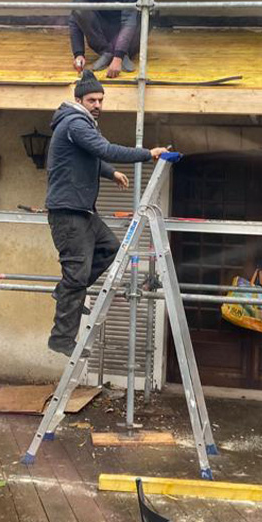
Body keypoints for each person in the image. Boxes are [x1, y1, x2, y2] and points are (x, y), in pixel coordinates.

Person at [45, 70, 169, 356]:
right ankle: (61, 339)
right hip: (68, 213)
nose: (98, 104)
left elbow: (91, 158)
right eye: (92, 99)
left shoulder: (80, 124)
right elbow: (104, 149)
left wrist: (111, 173)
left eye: (101, 99)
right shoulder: (75, 123)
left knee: (111, 249)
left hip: (84, 210)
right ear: (79, 99)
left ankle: (66, 292)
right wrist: (147, 154)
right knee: (76, 276)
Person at [69, 0, 140, 78]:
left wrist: (118, 57)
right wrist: (78, 54)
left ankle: (123, 54)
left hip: (128, 38)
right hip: (103, 36)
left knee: (143, 13)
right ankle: (106, 52)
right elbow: (74, 21)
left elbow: (129, 21)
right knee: (79, 7)